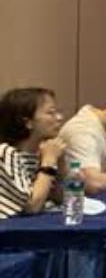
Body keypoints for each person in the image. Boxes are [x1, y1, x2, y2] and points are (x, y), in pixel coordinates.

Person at [0, 87, 65, 219]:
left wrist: (60, 163)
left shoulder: (42, 153)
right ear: (28, 122)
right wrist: (49, 162)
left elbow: (61, 198)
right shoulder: (6, 153)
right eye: (50, 113)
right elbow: (32, 206)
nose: (60, 118)